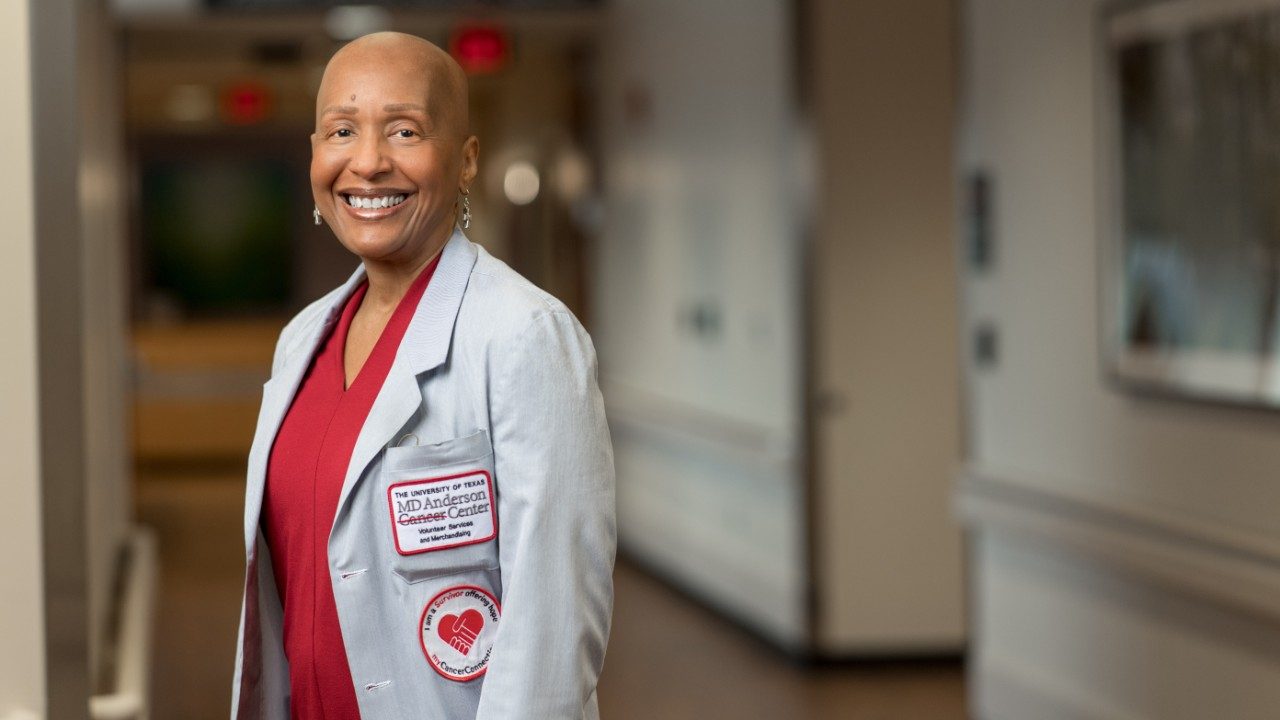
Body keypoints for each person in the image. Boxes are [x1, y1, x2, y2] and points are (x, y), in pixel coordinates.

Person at [230, 32, 616, 720]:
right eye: (341, 130)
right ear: (316, 155)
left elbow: (554, 621)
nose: (369, 162)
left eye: (404, 130)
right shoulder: (302, 342)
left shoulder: (523, 334)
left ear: (466, 160)